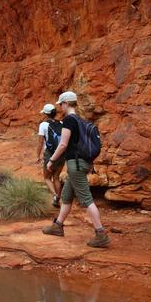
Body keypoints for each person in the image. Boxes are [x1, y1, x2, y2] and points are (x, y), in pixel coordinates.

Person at [41, 91, 110, 248]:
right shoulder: (79, 119)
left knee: (86, 199)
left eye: (61, 104)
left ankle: (101, 234)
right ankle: (58, 225)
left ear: (65, 104)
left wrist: (51, 161)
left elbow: (63, 144)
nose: (60, 107)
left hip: (76, 164)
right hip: (83, 163)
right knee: (66, 196)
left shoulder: (69, 120)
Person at [37, 103, 64, 208]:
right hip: (61, 153)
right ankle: (57, 201)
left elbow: (40, 142)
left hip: (49, 153)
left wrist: (37, 156)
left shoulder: (43, 125)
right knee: (56, 177)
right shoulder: (61, 123)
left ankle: (55, 195)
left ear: (46, 114)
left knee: (47, 178)